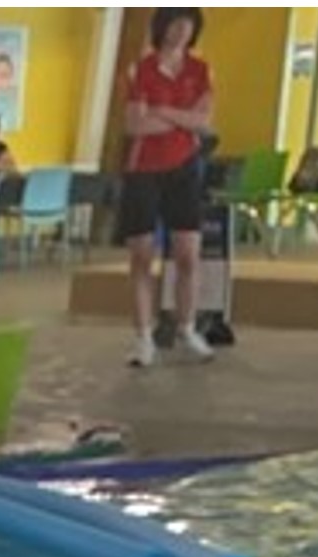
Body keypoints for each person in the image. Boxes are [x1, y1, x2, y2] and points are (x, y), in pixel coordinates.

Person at [117, 9, 217, 368]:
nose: (180, 33)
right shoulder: (141, 69)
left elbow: (205, 122)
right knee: (143, 257)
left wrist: (162, 110)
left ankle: (187, 327)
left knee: (188, 254)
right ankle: (143, 336)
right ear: (162, 28)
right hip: (143, 170)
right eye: (174, 25)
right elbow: (135, 125)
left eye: (187, 27)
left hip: (184, 168)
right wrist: (181, 118)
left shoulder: (199, 70)